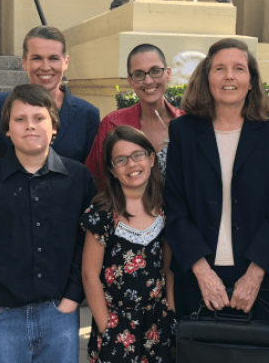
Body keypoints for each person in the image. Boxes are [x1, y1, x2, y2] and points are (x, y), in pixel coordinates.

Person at [0, 84, 97, 363]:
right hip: (1, 317)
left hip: (60, 315)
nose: (30, 126)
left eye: (39, 118)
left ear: (54, 126)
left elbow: (87, 243)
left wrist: (71, 298)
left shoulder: (78, 179)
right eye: (20, 119)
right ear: (6, 129)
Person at [165, 38, 269, 319]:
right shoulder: (182, 132)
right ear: (206, 78)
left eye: (239, 68)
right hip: (198, 278)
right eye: (220, 69)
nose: (229, 76)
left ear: (252, 80)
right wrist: (203, 273)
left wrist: (253, 276)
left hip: (260, 279)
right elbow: (175, 211)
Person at [81, 125, 177, 363]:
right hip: (116, 324)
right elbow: (89, 275)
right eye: (121, 160)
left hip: (158, 323)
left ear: (152, 158)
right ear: (112, 171)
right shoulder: (101, 213)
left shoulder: (165, 209)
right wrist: (107, 328)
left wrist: (171, 310)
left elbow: (168, 267)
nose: (132, 165)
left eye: (138, 155)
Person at [0, 25, 100, 171]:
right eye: (37, 58)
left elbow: (93, 176)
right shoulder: (0, 105)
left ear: (65, 62)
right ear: (24, 62)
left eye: (53, 58)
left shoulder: (87, 114)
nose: (45, 67)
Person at [85, 44, 184, 190]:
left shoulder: (187, 124)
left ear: (168, 73)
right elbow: (94, 179)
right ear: (130, 81)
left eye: (155, 71)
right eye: (139, 74)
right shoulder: (113, 124)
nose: (149, 81)